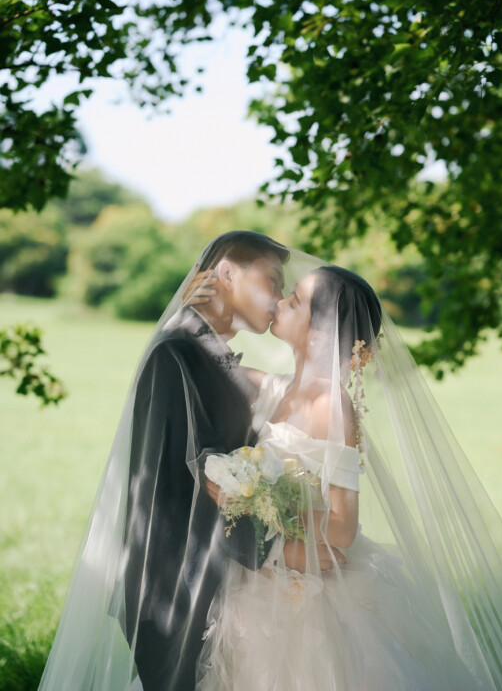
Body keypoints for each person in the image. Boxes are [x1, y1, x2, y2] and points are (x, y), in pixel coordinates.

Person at [194, 263, 502, 690]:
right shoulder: (275, 389)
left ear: (319, 333)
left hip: (308, 591)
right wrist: (207, 311)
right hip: (259, 577)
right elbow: (209, 365)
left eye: (294, 301)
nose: (280, 303)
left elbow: (342, 526)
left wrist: (254, 505)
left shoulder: (331, 406)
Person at [35, 231, 344, 691]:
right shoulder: (176, 355)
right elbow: (173, 489)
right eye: (273, 280)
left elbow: (291, 404)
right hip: (179, 583)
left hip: (222, 573)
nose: (279, 298)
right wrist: (274, 551)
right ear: (226, 274)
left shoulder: (207, 353)